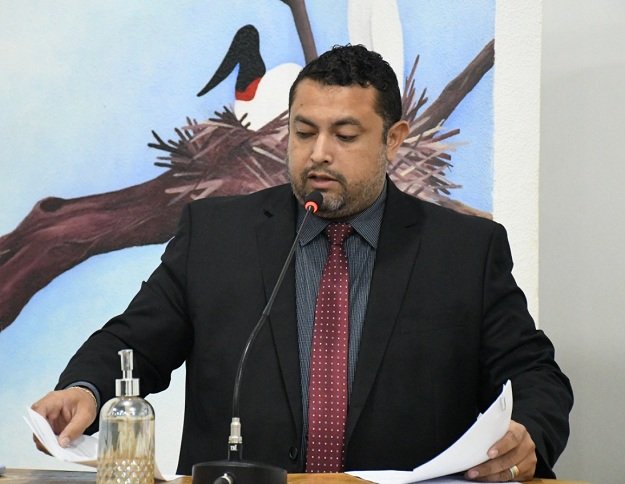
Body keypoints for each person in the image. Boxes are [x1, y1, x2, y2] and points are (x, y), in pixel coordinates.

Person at [32, 45, 573, 481]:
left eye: (345, 135)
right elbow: (135, 340)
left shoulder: (463, 250)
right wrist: (86, 389)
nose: (318, 153)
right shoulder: (217, 235)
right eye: (304, 131)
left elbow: (533, 375)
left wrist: (528, 433)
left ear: (393, 141)